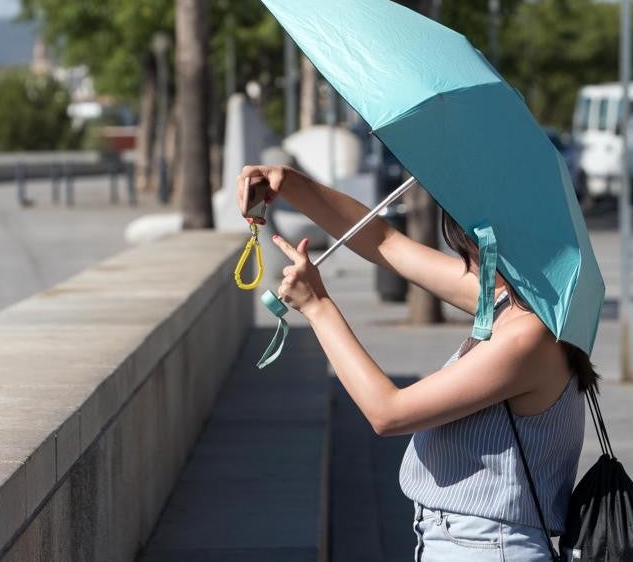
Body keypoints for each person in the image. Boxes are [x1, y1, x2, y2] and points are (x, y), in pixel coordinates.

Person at [237, 164, 599, 561]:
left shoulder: (532, 335)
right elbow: (384, 241)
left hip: (487, 545)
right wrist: (288, 184)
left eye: (471, 244)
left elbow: (388, 413)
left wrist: (318, 307)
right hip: (467, 540)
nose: (468, 259)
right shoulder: (507, 303)